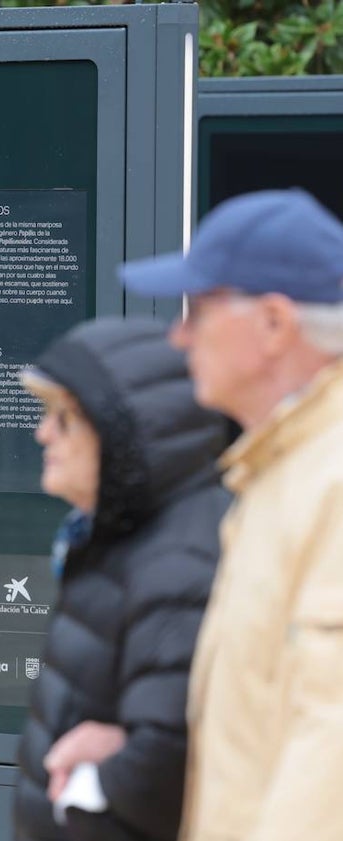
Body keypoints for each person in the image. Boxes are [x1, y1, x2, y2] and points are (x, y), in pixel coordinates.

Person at [119, 188, 343, 841]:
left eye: (199, 309)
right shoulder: (281, 471)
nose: (177, 334)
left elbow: (329, 736)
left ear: (273, 324)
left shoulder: (329, 477)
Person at [13, 317, 230, 841]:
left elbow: (167, 752)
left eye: (64, 418)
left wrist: (86, 796)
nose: (42, 433)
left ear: (124, 432)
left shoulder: (176, 559)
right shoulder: (118, 536)